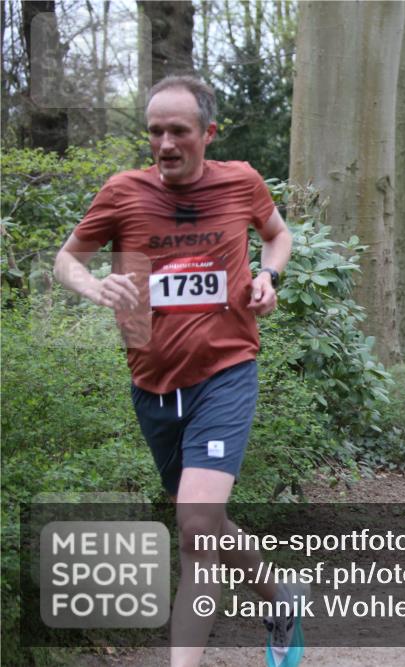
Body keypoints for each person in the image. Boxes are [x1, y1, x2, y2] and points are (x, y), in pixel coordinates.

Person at [53, 76, 304, 667]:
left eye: (178, 131)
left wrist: (269, 276)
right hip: (152, 385)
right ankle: (281, 597)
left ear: (208, 133)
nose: (165, 144)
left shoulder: (240, 181)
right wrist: (95, 286)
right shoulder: (123, 192)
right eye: (155, 132)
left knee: (195, 529)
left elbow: (277, 235)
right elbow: (66, 259)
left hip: (225, 372)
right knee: (206, 520)